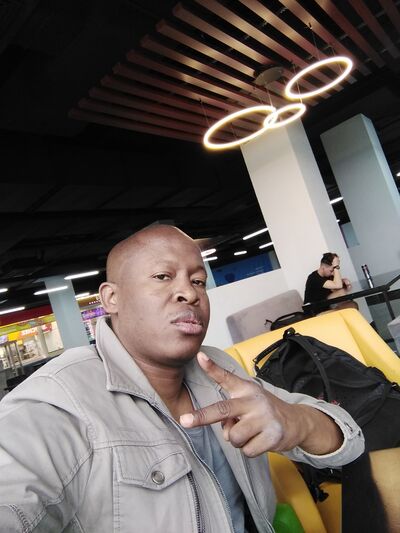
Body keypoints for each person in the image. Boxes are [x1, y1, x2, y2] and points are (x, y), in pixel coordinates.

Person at [0, 226, 364, 532]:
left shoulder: (217, 368)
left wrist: (295, 422)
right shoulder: (55, 404)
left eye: (198, 281)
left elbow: (350, 441)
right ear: (111, 298)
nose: (190, 293)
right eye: (162, 276)